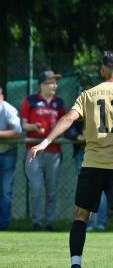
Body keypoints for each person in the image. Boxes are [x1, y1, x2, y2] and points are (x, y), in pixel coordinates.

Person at [28, 51, 113, 268]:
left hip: (92, 165)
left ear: (102, 71)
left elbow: (68, 119)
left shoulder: (88, 95)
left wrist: (45, 141)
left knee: (81, 216)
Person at [21, 70, 66, 231]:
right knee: (36, 187)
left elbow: (64, 124)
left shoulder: (59, 102)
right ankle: (37, 222)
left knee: (52, 190)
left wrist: (57, 130)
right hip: (33, 151)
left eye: (55, 82)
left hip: (54, 152)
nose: (55, 85)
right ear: (41, 85)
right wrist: (33, 126)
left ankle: (49, 223)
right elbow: (23, 124)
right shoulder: (30, 100)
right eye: (51, 82)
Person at [65, 79, 108, 231]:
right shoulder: (79, 107)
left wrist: (91, 135)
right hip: (82, 153)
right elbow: (68, 129)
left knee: (101, 189)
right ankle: (88, 223)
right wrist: (78, 137)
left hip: (101, 152)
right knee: (87, 188)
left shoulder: (105, 109)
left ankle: (101, 223)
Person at [0, 86, 22, 230]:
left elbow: (17, 131)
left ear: (1, 96)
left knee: (5, 191)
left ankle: (3, 226)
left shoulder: (9, 109)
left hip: (7, 153)